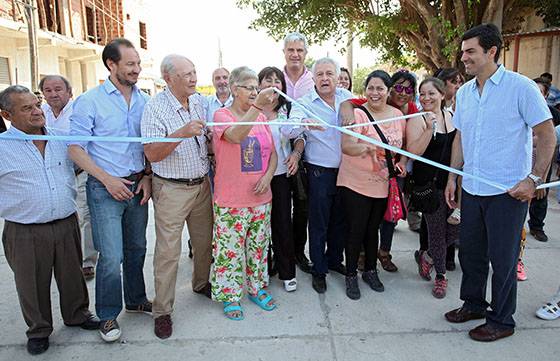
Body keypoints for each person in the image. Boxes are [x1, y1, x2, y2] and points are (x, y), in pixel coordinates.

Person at [443, 24, 555, 342]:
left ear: (492, 51)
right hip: (473, 189)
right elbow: (460, 138)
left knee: (503, 259)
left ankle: (502, 320)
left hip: (508, 191)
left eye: (470, 51)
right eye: (463, 51)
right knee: (471, 253)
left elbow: (546, 135)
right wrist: (453, 177)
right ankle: (474, 304)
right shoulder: (464, 93)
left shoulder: (521, 88)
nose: (463, 57)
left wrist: (533, 180)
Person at [0, 85, 99, 355]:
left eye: (36, 104)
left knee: (72, 275)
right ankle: (39, 330)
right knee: (31, 283)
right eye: (26, 108)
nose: (36, 112)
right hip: (24, 230)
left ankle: (77, 315)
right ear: (6, 114)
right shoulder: (2, 147)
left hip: (65, 222)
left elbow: (81, 166)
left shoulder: (62, 139)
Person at [68, 38, 153, 342]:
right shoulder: (90, 101)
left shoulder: (145, 101)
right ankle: (107, 315)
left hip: (137, 185)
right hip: (105, 189)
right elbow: (75, 149)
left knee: (137, 248)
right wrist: (107, 179)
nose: (137, 69)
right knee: (111, 255)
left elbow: (149, 146)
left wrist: (147, 177)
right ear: (111, 65)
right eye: (130, 64)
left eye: (138, 64)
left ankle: (136, 298)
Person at [141, 55, 213, 339]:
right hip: (170, 188)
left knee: (204, 241)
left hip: (201, 186)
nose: (194, 78)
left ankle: (201, 283)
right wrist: (181, 133)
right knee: (168, 252)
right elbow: (152, 153)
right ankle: (162, 311)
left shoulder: (198, 102)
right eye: (187, 74)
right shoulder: (154, 109)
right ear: (168, 78)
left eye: (194, 72)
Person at [210, 67, 278, 320]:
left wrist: (268, 176)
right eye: (248, 87)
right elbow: (237, 136)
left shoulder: (261, 118)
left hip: (261, 197)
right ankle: (230, 295)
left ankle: (257, 288)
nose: (253, 92)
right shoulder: (221, 115)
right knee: (230, 251)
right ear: (234, 89)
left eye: (255, 88)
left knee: (258, 248)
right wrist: (257, 107)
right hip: (232, 199)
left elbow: (272, 153)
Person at [338, 70, 407, 300]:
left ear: (388, 92)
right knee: (355, 230)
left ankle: (370, 270)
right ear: (364, 90)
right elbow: (347, 146)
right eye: (371, 88)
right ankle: (350, 275)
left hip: (382, 184)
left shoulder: (397, 115)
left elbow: (400, 148)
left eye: (380, 88)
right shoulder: (357, 115)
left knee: (372, 230)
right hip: (355, 182)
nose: (375, 93)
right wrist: (367, 147)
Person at [287, 57, 353, 293]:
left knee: (340, 221)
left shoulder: (348, 98)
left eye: (330, 74)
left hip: (348, 171)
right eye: (320, 75)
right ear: (313, 78)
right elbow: (288, 130)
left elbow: (368, 109)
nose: (325, 79)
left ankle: (334, 261)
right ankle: (319, 269)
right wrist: (304, 123)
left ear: (338, 77)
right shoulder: (304, 103)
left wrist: (348, 105)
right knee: (318, 224)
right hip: (319, 173)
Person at [39, 75, 97, 280]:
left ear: (69, 92)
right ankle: (65, 259)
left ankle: (88, 261)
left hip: (80, 171)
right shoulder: (41, 113)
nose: (53, 94)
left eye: (58, 89)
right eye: (48, 90)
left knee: (85, 215)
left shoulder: (79, 111)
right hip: (54, 174)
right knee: (62, 216)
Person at [407, 78, 458, 299]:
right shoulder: (416, 119)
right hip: (428, 187)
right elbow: (413, 152)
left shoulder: (453, 117)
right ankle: (441, 276)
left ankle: (427, 257)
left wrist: (454, 179)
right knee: (437, 233)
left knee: (455, 230)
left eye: (431, 93)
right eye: (422, 94)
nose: (426, 98)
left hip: (452, 183)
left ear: (442, 95)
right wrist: (429, 129)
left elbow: (459, 149)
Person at [257, 66, 305, 292]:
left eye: (278, 81)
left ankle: (287, 271)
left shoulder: (289, 109)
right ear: (259, 85)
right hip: (254, 178)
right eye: (268, 80)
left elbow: (299, 137)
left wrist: (296, 154)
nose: (273, 85)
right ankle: (263, 269)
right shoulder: (251, 110)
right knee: (258, 225)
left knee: (282, 223)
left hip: (280, 176)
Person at [283, 32, 314, 273]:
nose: (295, 54)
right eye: (291, 50)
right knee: (279, 208)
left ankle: (298, 252)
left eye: (300, 50)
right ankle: (280, 253)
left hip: (308, 150)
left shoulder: (314, 79)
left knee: (302, 207)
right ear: (284, 52)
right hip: (277, 150)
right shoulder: (274, 77)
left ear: (305, 53)